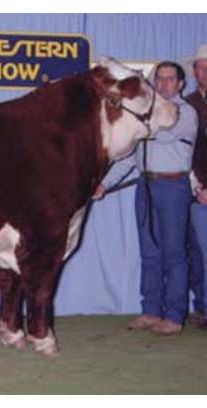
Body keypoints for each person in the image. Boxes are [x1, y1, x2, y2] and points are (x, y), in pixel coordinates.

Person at [94, 61, 198, 334]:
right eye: (159, 79)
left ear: (181, 84)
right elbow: (129, 158)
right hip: (146, 185)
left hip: (173, 186)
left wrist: (136, 126)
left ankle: (174, 316)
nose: (163, 84)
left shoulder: (185, 112)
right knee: (149, 253)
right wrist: (103, 184)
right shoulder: (146, 117)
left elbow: (165, 136)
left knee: (174, 254)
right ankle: (151, 311)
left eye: (170, 79)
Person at [185, 44, 207, 328]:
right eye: (202, 67)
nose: (206, 73)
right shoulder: (186, 105)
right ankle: (202, 306)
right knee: (196, 251)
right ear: (194, 71)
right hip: (196, 190)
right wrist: (198, 187)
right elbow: (184, 152)